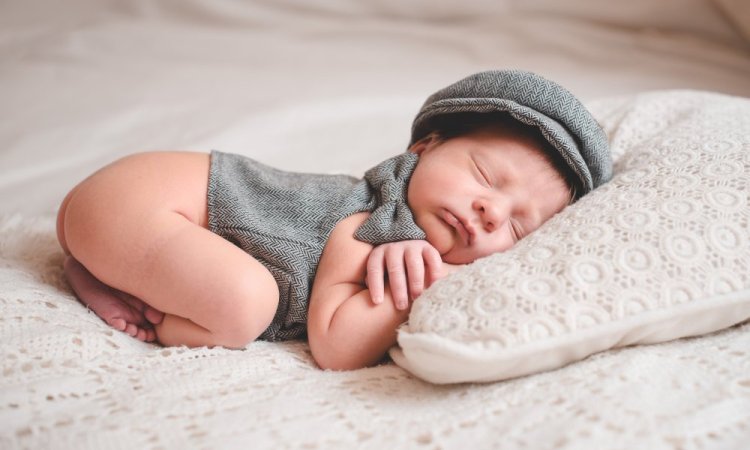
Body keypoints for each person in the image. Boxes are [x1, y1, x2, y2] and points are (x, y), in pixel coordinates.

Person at [56, 70, 612, 370]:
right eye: (486, 177)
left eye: (518, 227)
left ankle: (105, 267)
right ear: (423, 147)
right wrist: (420, 284)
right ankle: (137, 303)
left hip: (131, 211)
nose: (492, 214)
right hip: (138, 196)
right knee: (243, 306)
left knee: (236, 296)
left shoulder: (403, 236)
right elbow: (336, 349)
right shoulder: (367, 221)